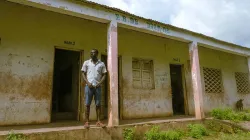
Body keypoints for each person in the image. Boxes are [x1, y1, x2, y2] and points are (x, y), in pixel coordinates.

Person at [81, 49, 107, 128]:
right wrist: (88, 83)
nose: (92, 54)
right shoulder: (86, 63)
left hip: (97, 87)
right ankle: (87, 122)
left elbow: (104, 74)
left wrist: (100, 83)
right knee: (87, 104)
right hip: (88, 87)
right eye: (91, 53)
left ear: (97, 54)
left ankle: (98, 121)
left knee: (98, 104)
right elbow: (83, 73)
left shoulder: (101, 64)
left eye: (94, 53)